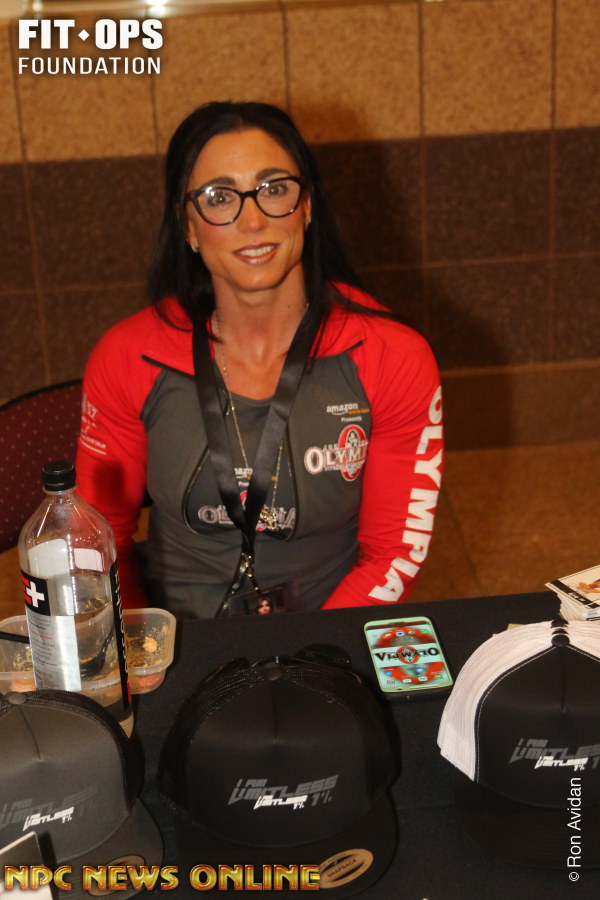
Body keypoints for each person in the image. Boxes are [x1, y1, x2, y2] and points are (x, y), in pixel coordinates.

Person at [76, 101, 443, 619]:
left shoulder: (394, 355)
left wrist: (316, 649)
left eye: (273, 189)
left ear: (307, 206)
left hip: (332, 627)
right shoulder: (127, 356)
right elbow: (96, 540)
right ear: (188, 226)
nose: (252, 220)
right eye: (219, 197)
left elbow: (393, 552)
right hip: (173, 636)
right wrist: (141, 645)